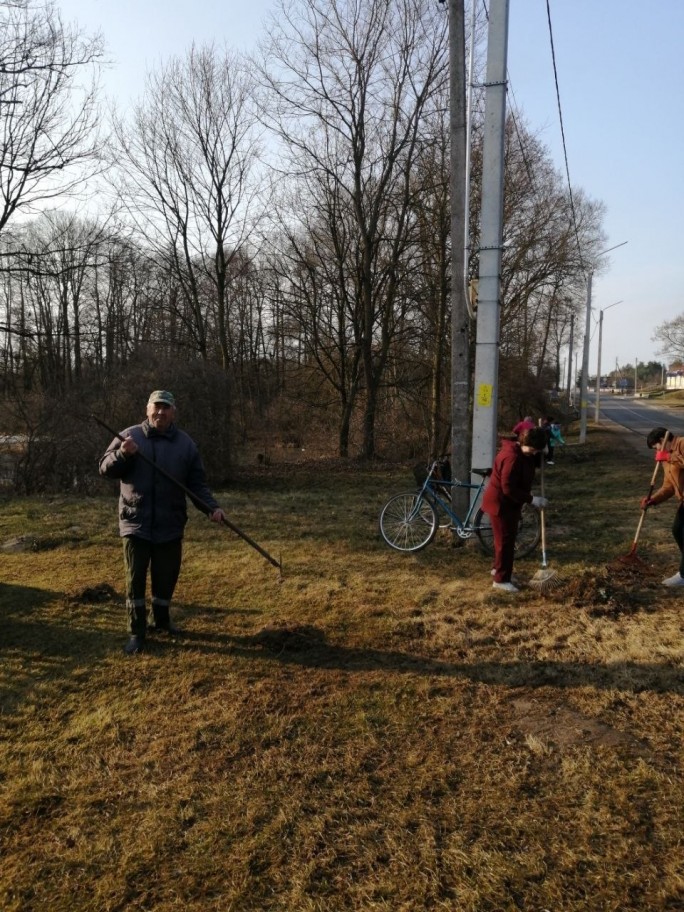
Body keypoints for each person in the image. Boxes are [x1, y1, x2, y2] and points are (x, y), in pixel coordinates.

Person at [99, 390, 226, 654]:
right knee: (135, 579)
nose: (160, 412)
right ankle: (137, 632)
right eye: (156, 407)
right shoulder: (129, 436)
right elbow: (104, 467)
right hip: (136, 522)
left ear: (173, 412)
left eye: (166, 408)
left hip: (171, 522)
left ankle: (162, 621)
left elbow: (196, 484)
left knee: (166, 576)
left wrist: (211, 508)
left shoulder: (185, 444)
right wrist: (123, 455)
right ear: (147, 410)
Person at [482, 427, 549, 593]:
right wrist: (532, 499)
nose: (534, 453)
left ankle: (498, 569)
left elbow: (529, 461)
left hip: (510, 504)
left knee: (506, 541)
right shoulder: (511, 457)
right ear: (524, 443)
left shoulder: (521, 452)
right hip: (502, 504)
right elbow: (508, 488)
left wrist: (543, 451)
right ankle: (501, 580)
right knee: (505, 542)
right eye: (533, 450)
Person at [641, 426, 684, 587]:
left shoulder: (681, 444)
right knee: (677, 530)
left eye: (656, 447)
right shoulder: (666, 459)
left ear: (662, 441)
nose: (656, 452)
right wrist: (653, 499)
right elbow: (669, 487)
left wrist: (669, 456)